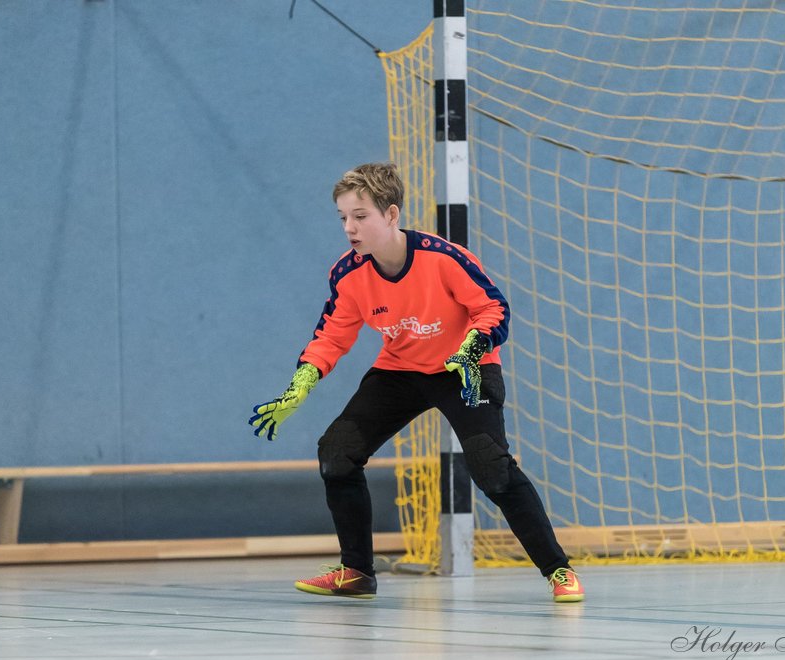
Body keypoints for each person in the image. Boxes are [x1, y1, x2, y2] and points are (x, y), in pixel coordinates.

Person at [249, 162, 585, 603]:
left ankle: (558, 571)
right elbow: (331, 334)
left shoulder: (444, 259)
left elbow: (495, 310)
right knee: (336, 453)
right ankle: (357, 573)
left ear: (391, 215)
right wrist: (302, 382)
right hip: (401, 370)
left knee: (492, 469)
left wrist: (470, 348)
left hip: (464, 367)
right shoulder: (349, 274)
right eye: (343, 217)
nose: (350, 227)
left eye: (360, 216)